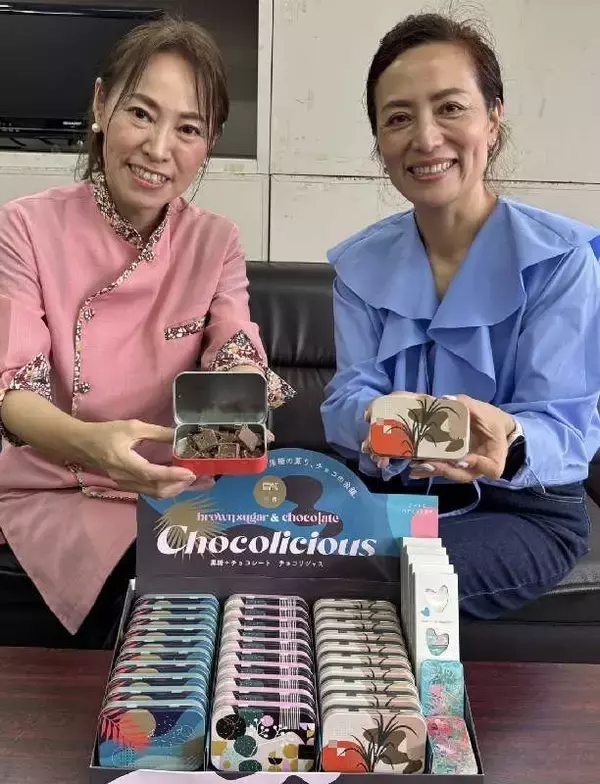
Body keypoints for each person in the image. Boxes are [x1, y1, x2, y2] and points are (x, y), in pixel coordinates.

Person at [0, 17, 293, 647]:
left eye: (188, 128)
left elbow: (234, 345)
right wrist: (92, 444)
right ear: (101, 106)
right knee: (154, 597)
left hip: (180, 486)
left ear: (209, 143)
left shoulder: (215, 240)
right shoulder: (25, 228)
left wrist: (241, 399)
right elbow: (14, 392)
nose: (159, 149)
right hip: (63, 485)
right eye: (141, 113)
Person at [321, 13, 600, 620]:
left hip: (519, 507)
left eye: (450, 108)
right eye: (399, 118)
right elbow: (346, 398)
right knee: (258, 552)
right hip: (393, 493)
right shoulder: (360, 265)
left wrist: (511, 441)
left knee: (382, 583)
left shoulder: (561, 260)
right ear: (379, 141)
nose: (426, 139)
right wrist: (373, 416)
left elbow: (568, 427)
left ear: (493, 121)